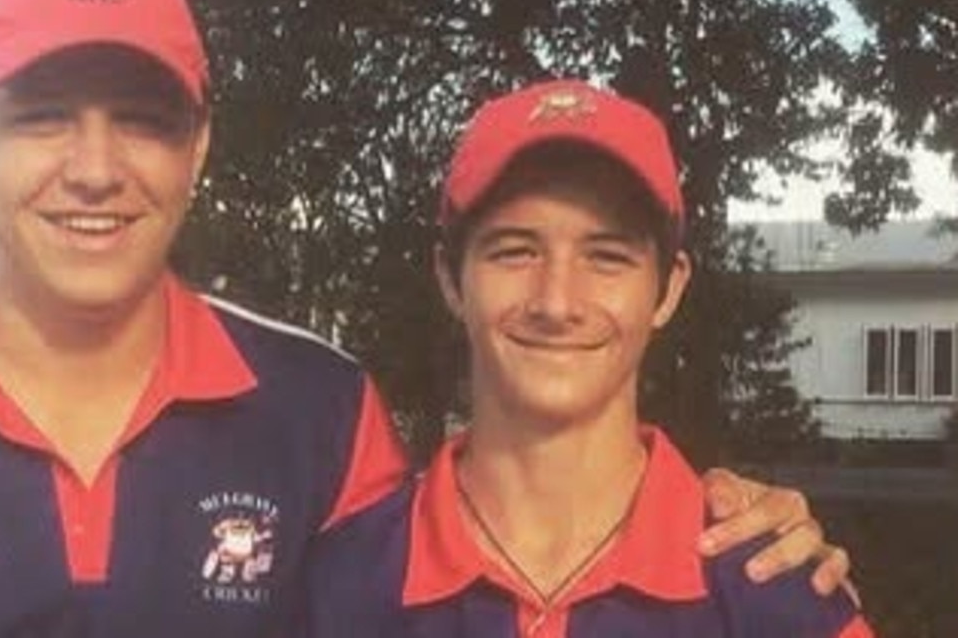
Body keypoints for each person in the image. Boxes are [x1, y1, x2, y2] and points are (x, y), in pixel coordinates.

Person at [0, 0, 847, 638]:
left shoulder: (316, 408)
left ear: (196, 147)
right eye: (41, 118)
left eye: (141, 119)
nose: (94, 168)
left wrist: (737, 526)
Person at [297, 80, 873, 638]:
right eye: (515, 251)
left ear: (668, 290)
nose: (556, 302)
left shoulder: (769, 588)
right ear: (451, 278)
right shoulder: (341, 584)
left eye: (607, 257)